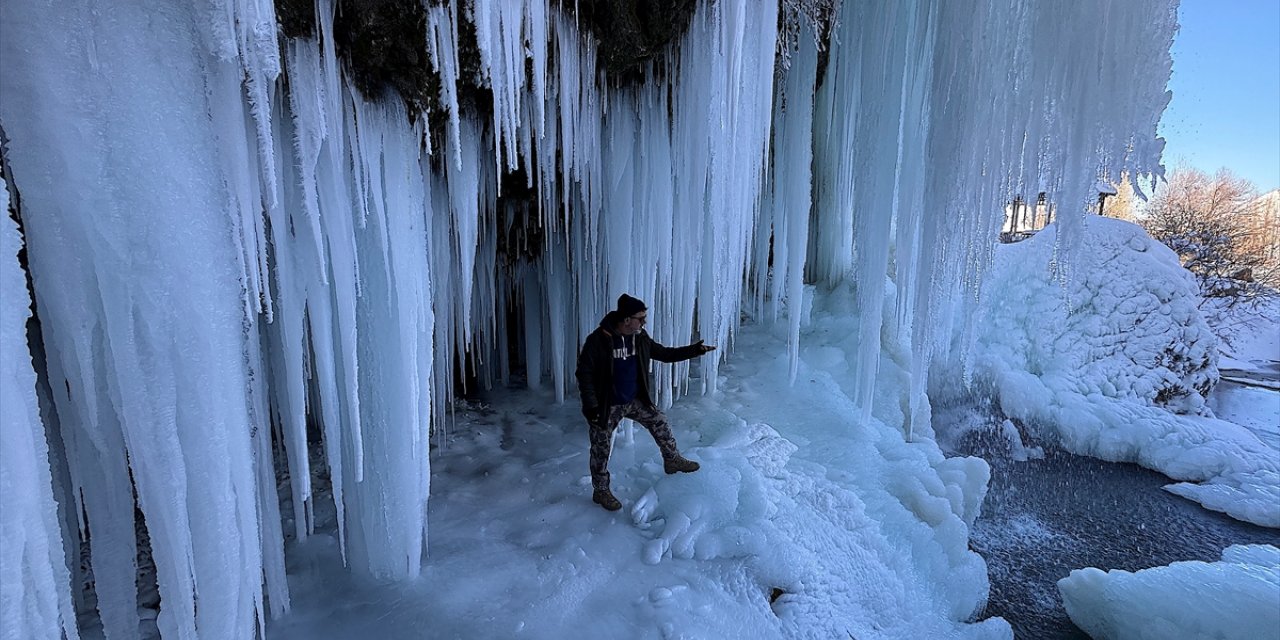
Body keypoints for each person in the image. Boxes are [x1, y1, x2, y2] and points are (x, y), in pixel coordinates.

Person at [575, 294, 716, 511]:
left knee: (659, 420)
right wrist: (591, 407)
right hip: (607, 404)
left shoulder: (640, 338)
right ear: (626, 319)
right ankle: (601, 490)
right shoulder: (598, 341)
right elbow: (584, 374)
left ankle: (672, 460)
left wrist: (694, 350)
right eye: (640, 318)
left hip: (633, 399)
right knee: (601, 446)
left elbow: (664, 354)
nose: (644, 323)